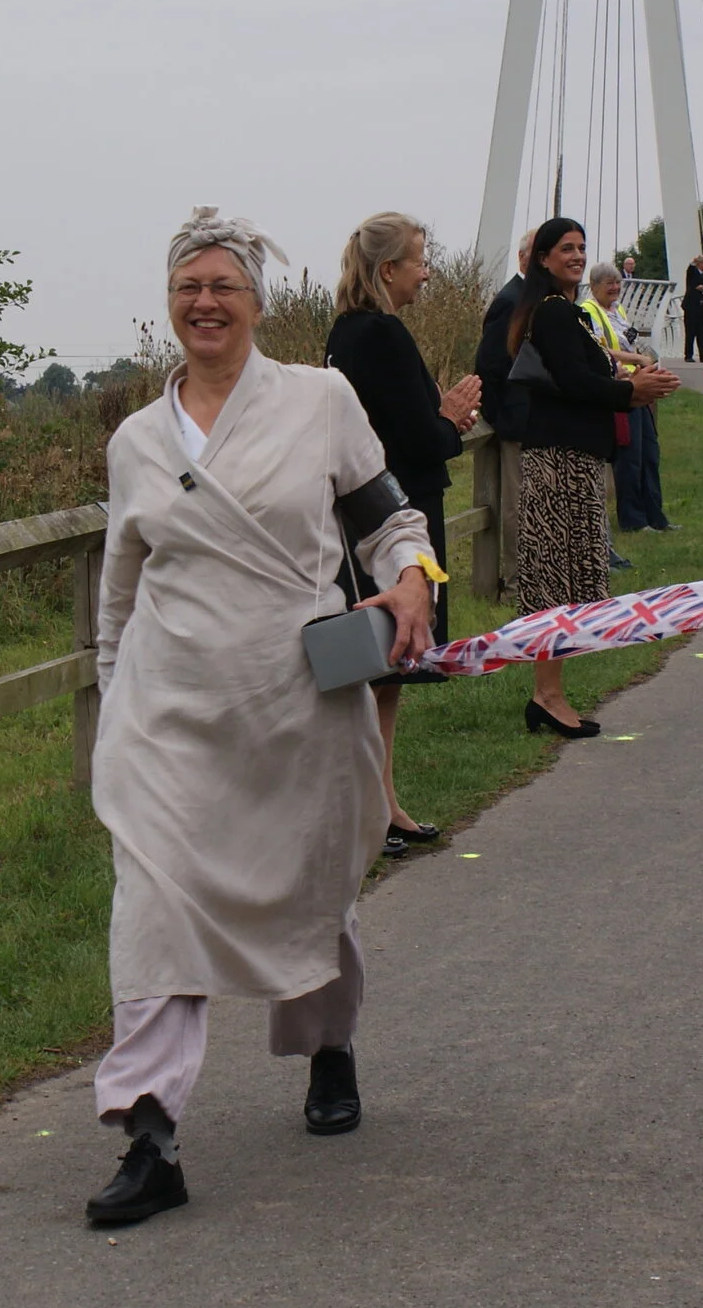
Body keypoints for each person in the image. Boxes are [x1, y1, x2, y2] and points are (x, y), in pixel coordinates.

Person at [85, 207, 440, 1227]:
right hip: (170, 718)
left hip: (293, 704)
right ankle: (149, 1131)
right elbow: (119, 590)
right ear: (169, 305)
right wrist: (117, 708)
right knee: (151, 914)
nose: (204, 303)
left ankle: (328, 1047)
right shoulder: (137, 442)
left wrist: (410, 582)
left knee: (312, 891)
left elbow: (386, 520)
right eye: (187, 287)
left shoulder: (320, 400)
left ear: (255, 301)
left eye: (222, 286)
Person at [325, 212, 481, 859]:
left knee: (386, 672)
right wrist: (452, 421)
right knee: (382, 666)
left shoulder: (343, 334)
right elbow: (411, 437)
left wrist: (434, 415)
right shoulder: (383, 334)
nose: (426, 272)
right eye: (419, 260)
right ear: (388, 270)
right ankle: (373, 807)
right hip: (395, 516)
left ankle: (382, 801)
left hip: (367, 514)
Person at [508, 218, 680, 738]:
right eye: (566, 248)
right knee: (554, 582)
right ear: (542, 257)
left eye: (582, 247)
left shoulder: (569, 313)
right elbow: (575, 381)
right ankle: (547, 695)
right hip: (559, 461)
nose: (577, 256)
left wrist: (630, 383)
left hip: (575, 459)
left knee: (566, 580)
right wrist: (632, 393)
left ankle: (550, 693)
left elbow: (590, 375)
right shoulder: (553, 313)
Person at [588, 262, 670, 533]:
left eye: (618, 283)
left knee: (650, 451)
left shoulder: (618, 310)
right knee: (630, 455)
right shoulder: (589, 312)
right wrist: (636, 358)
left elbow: (626, 340)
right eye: (608, 283)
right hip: (621, 389)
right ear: (594, 287)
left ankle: (655, 516)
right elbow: (602, 350)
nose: (615, 288)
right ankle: (633, 520)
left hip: (638, 385)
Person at [476, 226, 538, 442]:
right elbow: (490, 363)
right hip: (517, 422)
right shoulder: (511, 300)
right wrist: (499, 418)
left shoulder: (535, 297)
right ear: (522, 256)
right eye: (537, 251)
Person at [681, 252, 703, 362]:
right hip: (691, 307)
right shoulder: (693, 272)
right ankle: (688, 355)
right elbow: (690, 268)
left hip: (702, 307)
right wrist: (693, 262)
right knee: (690, 332)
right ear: (700, 263)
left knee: (702, 333)